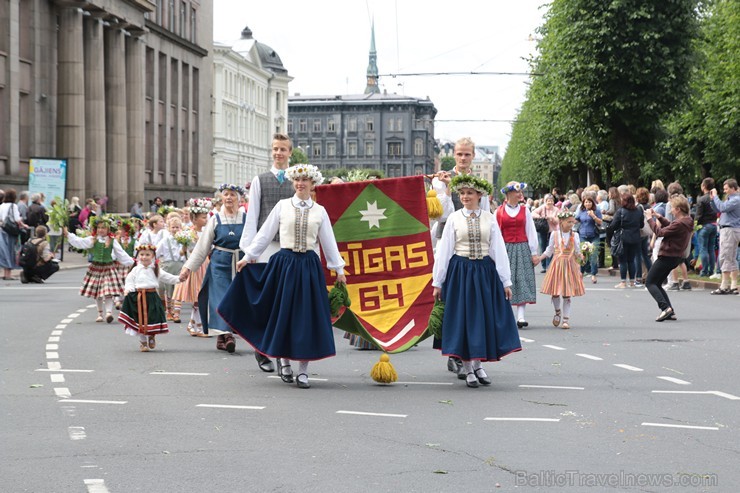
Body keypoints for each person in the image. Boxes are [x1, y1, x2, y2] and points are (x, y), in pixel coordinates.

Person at [220, 165, 346, 389]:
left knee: (306, 318)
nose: (301, 183)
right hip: (284, 264)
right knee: (283, 314)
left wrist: (339, 269)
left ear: (312, 183)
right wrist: (248, 256)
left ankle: (304, 371)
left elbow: (329, 242)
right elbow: (265, 234)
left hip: (308, 266)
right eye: (297, 180)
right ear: (293, 182)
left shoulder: (320, 211)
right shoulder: (282, 206)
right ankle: (285, 363)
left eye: (305, 180)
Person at [432, 174, 520, 388]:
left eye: (469, 193)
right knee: (463, 319)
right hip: (460, 271)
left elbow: (497, 249)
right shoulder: (454, 218)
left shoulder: (489, 219)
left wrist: (505, 281)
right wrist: (438, 281)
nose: (465, 197)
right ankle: (468, 367)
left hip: (483, 272)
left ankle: (479, 364)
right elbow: (444, 250)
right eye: (462, 193)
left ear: (479, 195)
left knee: (480, 319)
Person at [431, 137, 490, 372]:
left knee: (472, 301)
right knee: (450, 299)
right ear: (454, 155)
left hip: (472, 245)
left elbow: (485, 215)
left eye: (467, 154)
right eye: (459, 154)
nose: (463, 158)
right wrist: (445, 189)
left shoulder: (479, 183)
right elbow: (440, 214)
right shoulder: (440, 180)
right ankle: (453, 350)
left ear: (473, 156)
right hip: (448, 241)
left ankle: (469, 353)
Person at [239, 133, 296, 372]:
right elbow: (252, 216)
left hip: (290, 245)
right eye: (275, 149)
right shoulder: (260, 180)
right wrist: (249, 251)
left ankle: (283, 351)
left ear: (290, 153)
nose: (278, 153)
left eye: (283, 149)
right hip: (265, 248)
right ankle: (261, 350)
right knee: (267, 300)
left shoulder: (298, 180)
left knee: (287, 300)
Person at [180, 185, 250, 357]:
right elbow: (202, 246)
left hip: (240, 264)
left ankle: (223, 336)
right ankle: (227, 335)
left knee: (237, 301)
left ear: (239, 198)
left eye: (232, 195)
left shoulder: (246, 218)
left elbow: (255, 242)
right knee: (220, 299)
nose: (229, 198)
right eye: (225, 194)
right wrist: (187, 268)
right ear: (221, 198)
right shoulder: (215, 219)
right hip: (220, 264)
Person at [64, 216, 134, 322]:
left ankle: (109, 313)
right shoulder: (92, 239)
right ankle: (100, 313)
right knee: (98, 292)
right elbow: (80, 242)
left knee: (108, 291)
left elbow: (121, 254)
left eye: (103, 228)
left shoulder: (112, 241)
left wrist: (133, 262)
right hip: (96, 268)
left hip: (108, 268)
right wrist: (68, 234)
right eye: (99, 227)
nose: (101, 230)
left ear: (109, 230)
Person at [118, 244, 181, 352]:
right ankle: (143, 342)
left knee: (153, 318)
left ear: (153, 256)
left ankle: (152, 335)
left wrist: (179, 279)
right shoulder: (136, 269)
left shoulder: (155, 269)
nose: (144, 257)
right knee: (139, 320)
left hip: (152, 297)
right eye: (142, 254)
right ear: (138, 256)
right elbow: (129, 280)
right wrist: (128, 289)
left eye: (147, 254)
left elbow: (167, 277)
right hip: (138, 297)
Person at [496, 181, 540, 328]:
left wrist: (534, 252)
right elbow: (495, 233)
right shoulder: (499, 211)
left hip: (522, 247)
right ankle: (506, 315)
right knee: (504, 281)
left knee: (522, 280)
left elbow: (530, 231)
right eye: (517, 192)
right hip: (505, 249)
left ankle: (521, 317)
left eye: (520, 191)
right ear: (509, 194)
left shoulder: (525, 210)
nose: (520, 194)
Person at [644, 196, 694, 320]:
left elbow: (660, 232)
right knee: (657, 283)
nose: (671, 210)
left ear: (678, 209)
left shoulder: (680, 223)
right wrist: (658, 216)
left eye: (672, 208)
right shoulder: (687, 221)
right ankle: (669, 310)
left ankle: (665, 308)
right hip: (675, 256)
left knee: (650, 282)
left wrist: (650, 219)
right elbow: (671, 226)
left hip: (667, 255)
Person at [539, 211, 585, 329]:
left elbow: (577, 251)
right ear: (561, 222)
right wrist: (539, 259)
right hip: (557, 265)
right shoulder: (555, 235)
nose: (571, 224)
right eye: (568, 222)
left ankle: (566, 319)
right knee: (555, 292)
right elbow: (549, 251)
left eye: (572, 221)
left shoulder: (575, 235)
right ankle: (557, 311)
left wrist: (582, 256)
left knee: (566, 293)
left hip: (569, 265)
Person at [172, 198, 212, 337]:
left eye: (206, 216)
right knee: (198, 296)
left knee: (202, 297)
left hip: (205, 265)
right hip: (194, 267)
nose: (206, 219)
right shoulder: (188, 233)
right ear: (194, 219)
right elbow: (182, 251)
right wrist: (185, 247)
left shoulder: (207, 232)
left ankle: (194, 324)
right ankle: (198, 326)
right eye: (203, 217)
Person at [709, 178, 740, 294]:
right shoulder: (732, 199)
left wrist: (716, 197)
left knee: (725, 257)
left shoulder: (735, 199)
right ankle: (733, 285)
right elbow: (719, 208)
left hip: (729, 230)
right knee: (731, 258)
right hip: (731, 230)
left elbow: (722, 208)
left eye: (727, 188)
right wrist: (713, 200)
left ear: (733, 188)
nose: (725, 191)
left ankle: (724, 285)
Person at [608, 194, 643, 288]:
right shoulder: (638, 211)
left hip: (623, 238)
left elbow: (613, 225)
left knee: (623, 260)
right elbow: (642, 225)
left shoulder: (621, 211)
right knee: (631, 260)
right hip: (635, 237)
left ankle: (623, 282)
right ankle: (632, 282)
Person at [155, 215, 187, 322]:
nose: (175, 229)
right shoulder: (165, 241)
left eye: (177, 227)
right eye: (173, 227)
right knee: (168, 289)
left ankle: (176, 312)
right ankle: (169, 310)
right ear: (169, 228)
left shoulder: (184, 240)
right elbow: (157, 253)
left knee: (178, 289)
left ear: (181, 228)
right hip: (168, 265)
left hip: (180, 266)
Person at [1, 189, 28, 280]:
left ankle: (5, 273)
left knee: (4, 252)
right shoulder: (13, 206)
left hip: (3, 231)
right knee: (11, 251)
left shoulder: (1, 206)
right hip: (11, 232)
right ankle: (8, 274)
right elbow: (17, 220)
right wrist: (24, 226)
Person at [576, 193, 602, 283]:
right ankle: (581, 273)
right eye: (586, 202)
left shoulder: (596, 210)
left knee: (593, 255)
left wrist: (593, 216)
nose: (588, 204)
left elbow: (600, 222)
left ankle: (593, 274)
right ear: (583, 203)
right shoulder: (581, 211)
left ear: (593, 203)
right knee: (583, 255)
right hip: (583, 235)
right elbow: (576, 220)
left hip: (594, 235)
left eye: (589, 202)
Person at [532, 194, 559, 273]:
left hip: (552, 231)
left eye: (551, 201)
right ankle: (544, 266)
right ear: (545, 201)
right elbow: (533, 213)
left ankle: (549, 266)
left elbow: (558, 220)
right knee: (543, 247)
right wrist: (540, 217)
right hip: (542, 231)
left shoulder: (556, 209)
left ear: (553, 202)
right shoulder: (542, 208)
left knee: (550, 248)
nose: (549, 202)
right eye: (548, 201)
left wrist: (552, 218)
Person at [634, 187, 654, 286]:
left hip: (639, 232)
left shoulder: (639, 207)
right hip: (646, 232)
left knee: (637, 255)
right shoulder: (649, 206)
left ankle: (638, 277)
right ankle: (652, 275)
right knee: (645, 255)